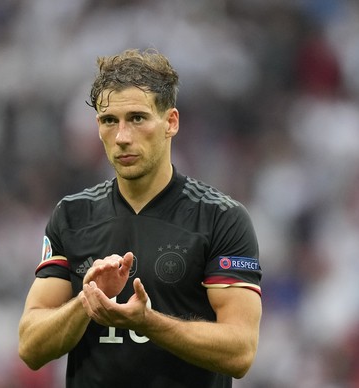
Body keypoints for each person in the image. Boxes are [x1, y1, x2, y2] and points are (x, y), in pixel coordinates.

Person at [18, 48, 262, 388]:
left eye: (137, 118)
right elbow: (30, 346)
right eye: (109, 121)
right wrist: (86, 303)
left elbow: (240, 351)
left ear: (171, 122)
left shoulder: (221, 218)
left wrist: (146, 322)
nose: (122, 137)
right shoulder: (72, 216)